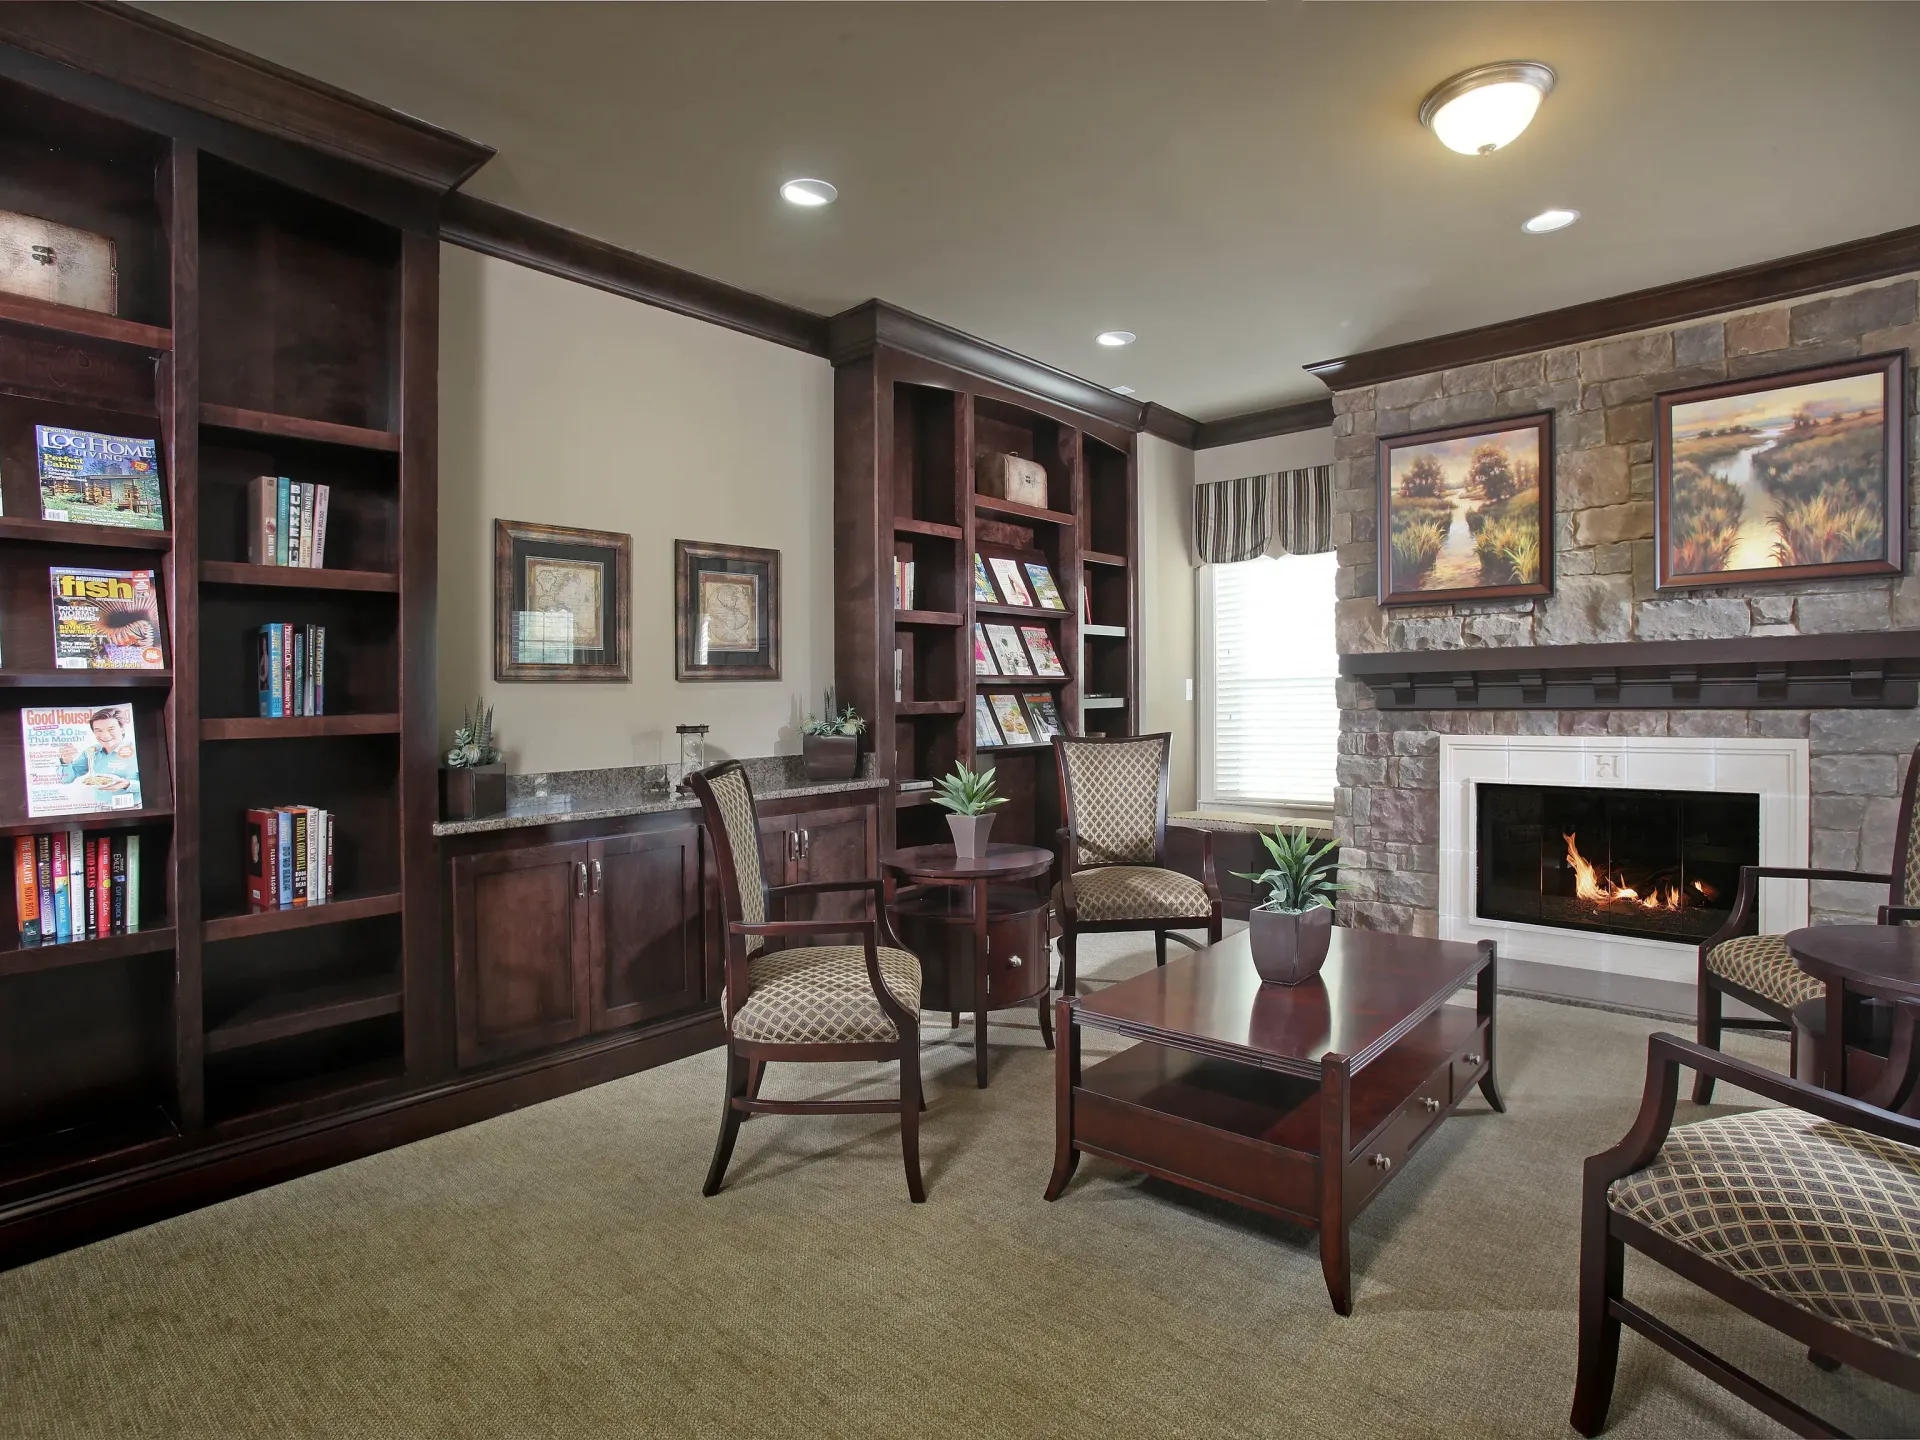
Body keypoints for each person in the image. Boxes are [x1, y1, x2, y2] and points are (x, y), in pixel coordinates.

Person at [56, 708, 139, 791]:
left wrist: (128, 784)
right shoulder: (91, 752)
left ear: (122, 729)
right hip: (98, 804)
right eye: (98, 731)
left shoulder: (136, 750)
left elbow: (150, 784)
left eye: (111, 729)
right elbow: (66, 780)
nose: (105, 735)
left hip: (131, 803)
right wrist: (66, 761)